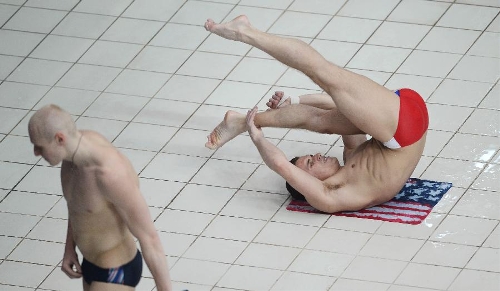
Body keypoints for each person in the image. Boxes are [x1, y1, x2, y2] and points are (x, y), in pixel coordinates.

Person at [203, 15, 428, 213]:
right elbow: (281, 165)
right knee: (321, 71)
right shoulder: (332, 196)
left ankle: (240, 122)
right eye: (311, 164)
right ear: (307, 182)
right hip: (403, 130)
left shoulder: (351, 157)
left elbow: (338, 108)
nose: (317, 155)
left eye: (310, 157)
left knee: (320, 119)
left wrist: (297, 100)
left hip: (402, 121)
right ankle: (243, 32)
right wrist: (258, 138)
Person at [28, 104, 172, 291]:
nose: (36, 153)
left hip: (117, 270)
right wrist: (69, 247)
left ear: (59, 138)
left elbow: (150, 239)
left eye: (39, 147)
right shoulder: (70, 156)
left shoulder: (110, 174)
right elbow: (76, 206)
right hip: (89, 264)